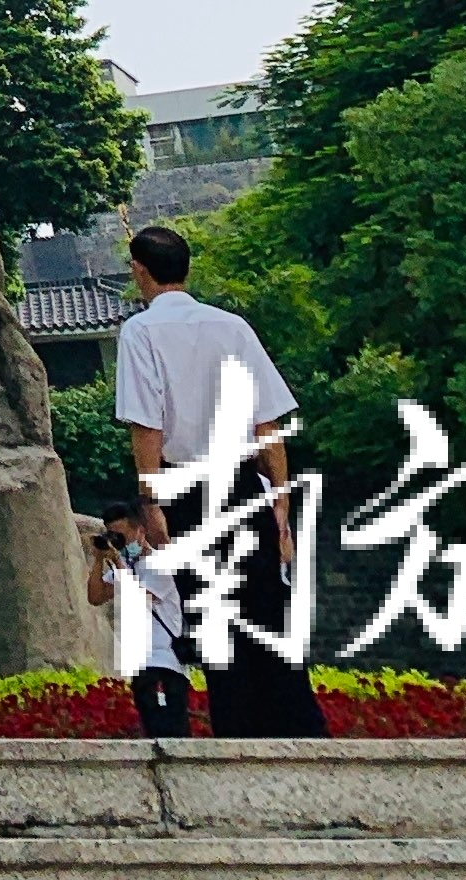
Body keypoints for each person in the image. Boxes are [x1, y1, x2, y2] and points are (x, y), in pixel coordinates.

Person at [112, 223, 325, 738]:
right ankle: (300, 735)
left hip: (187, 491)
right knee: (268, 618)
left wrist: (152, 502)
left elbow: (148, 425)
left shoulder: (140, 331)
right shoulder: (232, 326)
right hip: (245, 486)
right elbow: (268, 426)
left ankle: (240, 739)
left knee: (214, 624)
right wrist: (280, 505)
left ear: (140, 271)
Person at [85, 509, 196, 737]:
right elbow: (95, 596)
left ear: (140, 531)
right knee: (150, 729)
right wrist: (99, 561)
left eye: (121, 535)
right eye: (112, 536)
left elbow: (140, 599)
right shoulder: (127, 567)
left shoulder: (160, 565)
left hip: (165, 662)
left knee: (171, 730)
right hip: (142, 664)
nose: (119, 543)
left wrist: (116, 560)